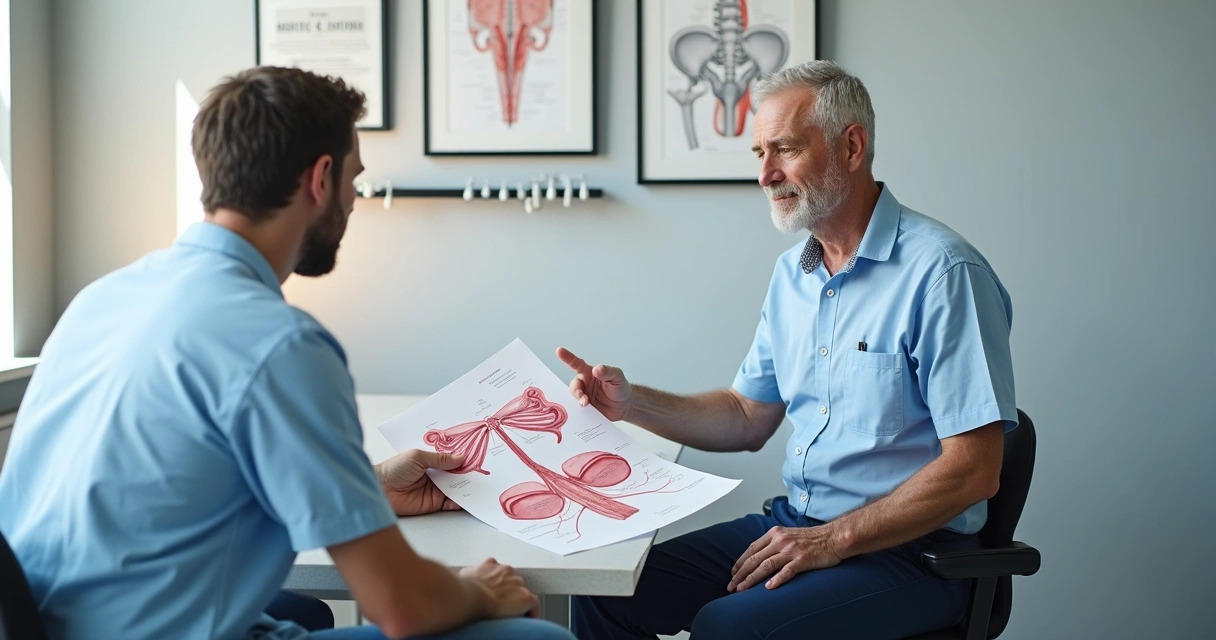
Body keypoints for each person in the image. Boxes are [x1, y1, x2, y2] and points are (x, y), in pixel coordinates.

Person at [0, 66, 574, 640]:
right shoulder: (280, 344)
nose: (352, 199)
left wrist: (365, 490)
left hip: (55, 624)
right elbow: (403, 607)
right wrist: (480, 590)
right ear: (321, 178)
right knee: (541, 638)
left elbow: (171, 488)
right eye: (354, 178)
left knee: (299, 610)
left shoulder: (103, 300)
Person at [560, 60, 1017, 639]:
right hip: (797, 525)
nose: (766, 175)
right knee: (607, 592)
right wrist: (630, 405)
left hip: (908, 554)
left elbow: (974, 471)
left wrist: (833, 540)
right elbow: (746, 416)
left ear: (852, 147)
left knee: (729, 628)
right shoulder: (793, 275)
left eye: (786, 149)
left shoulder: (944, 273)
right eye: (759, 154)